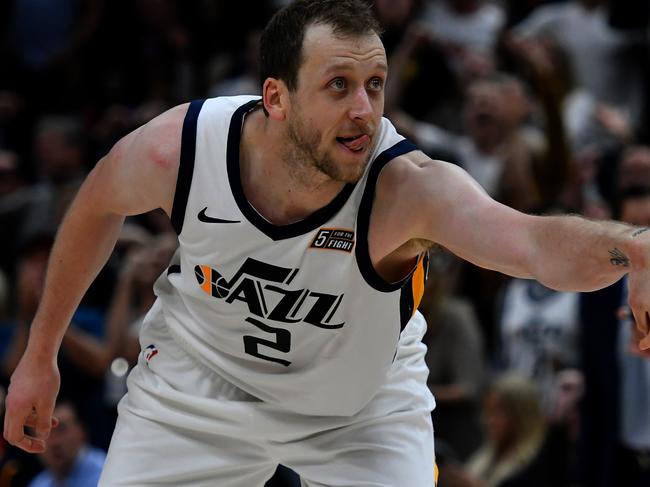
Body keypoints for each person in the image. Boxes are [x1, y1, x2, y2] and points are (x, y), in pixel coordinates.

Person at [3, 1, 650, 485]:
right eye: (339, 85)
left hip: (360, 405)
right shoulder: (182, 148)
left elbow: (533, 243)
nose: (365, 110)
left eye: (375, 84)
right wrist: (40, 352)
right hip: (199, 385)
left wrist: (636, 247)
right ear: (276, 98)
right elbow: (95, 203)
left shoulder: (408, 188)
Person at [27, 400, 105, 487]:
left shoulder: (108, 474)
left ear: (81, 432)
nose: (54, 443)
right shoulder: (38, 484)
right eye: (43, 434)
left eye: (61, 429)